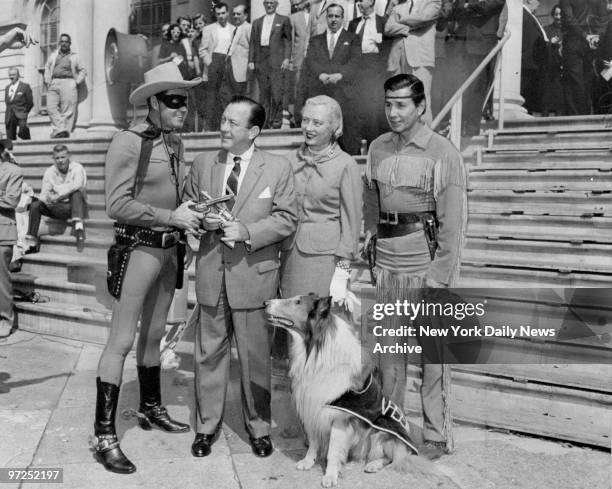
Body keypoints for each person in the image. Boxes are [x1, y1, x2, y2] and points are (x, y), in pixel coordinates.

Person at [91, 62, 203, 474]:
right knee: (120, 340)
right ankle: (104, 435)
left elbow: (179, 193)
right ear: (153, 103)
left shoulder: (175, 143)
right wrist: (168, 217)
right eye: (174, 101)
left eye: (185, 102)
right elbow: (115, 204)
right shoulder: (127, 142)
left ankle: (150, 407)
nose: (182, 109)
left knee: (155, 335)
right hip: (138, 249)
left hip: (170, 252)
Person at [184, 96, 297, 459]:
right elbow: (189, 205)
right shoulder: (204, 163)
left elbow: (286, 218)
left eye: (233, 122)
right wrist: (201, 219)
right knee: (208, 356)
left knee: (255, 358)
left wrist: (246, 230)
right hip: (211, 275)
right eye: (222, 119)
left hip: (254, 278)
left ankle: (259, 428)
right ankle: (206, 427)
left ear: (254, 131)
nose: (223, 127)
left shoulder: (277, 168)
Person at [363, 73, 467, 461]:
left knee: (433, 355)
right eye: (388, 103)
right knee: (390, 355)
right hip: (388, 264)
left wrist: (438, 277)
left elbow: (453, 225)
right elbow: (371, 198)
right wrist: (370, 235)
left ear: (421, 106)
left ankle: (437, 435)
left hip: (426, 262)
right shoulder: (377, 148)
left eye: (402, 104)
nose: (393, 112)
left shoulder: (442, 152)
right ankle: (393, 429)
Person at [280, 95, 361, 304]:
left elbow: (351, 224)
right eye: (305, 120)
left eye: (317, 123)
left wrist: (342, 273)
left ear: (335, 127)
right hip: (290, 256)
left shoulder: (346, 165)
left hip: (325, 261)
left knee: (318, 328)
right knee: (292, 327)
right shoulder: (288, 160)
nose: (309, 128)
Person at [303, 4, 361, 154]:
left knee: (347, 136)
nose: (333, 20)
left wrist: (340, 75)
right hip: (321, 92)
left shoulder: (352, 38)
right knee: (321, 135)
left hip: (344, 93)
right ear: (326, 17)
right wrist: (321, 74)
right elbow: (311, 60)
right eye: (330, 16)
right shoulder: (315, 40)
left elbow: (355, 62)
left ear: (342, 18)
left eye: (337, 16)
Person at [384, 0, 441, 124]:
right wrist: (407, 28)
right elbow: (388, 28)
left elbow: (422, 19)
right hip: (397, 59)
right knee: (398, 101)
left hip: (420, 59)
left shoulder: (433, 2)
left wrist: (400, 20)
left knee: (420, 101)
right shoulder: (399, 4)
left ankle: (423, 140)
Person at [25, 144, 88, 253]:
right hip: (59, 208)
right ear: (53, 159)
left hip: (77, 207)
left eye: (63, 157)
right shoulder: (50, 172)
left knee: (76, 193)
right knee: (36, 205)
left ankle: (79, 230)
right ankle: (32, 241)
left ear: (69, 156)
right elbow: (44, 194)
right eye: (57, 158)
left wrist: (58, 196)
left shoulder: (77, 168)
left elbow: (78, 184)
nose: (60, 161)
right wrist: (47, 201)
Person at [347, 0, 390, 146]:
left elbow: (387, 48)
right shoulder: (353, 23)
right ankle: (357, 144)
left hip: (374, 67)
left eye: (361, 0)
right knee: (356, 104)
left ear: (371, 1)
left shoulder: (382, 21)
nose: (358, 3)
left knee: (372, 105)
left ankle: (374, 143)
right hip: (355, 67)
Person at [249, 0, 292, 129]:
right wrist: (251, 60)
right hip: (261, 60)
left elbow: (288, 41)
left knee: (276, 92)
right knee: (264, 93)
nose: (269, 5)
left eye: (272, 3)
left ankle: (277, 120)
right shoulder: (257, 22)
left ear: (276, 4)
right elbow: (252, 43)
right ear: (264, 5)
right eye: (267, 3)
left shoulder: (283, 20)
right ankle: (265, 121)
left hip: (276, 60)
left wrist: (286, 58)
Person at [560, 0, 608, 115]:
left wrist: (586, 36)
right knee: (587, 80)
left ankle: (576, 117)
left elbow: (568, 19)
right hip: (592, 42)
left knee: (574, 82)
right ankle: (585, 115)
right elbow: (603, 18)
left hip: (574, 41)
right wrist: (596, 36)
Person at [200, 2, 236, 130]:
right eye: (218, 14)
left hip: (228, 63)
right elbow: (202, 50)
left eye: (223, 13)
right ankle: (209, 127)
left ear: (227, 13)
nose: (221, 16)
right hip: (214, 62)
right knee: (212, 96)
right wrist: (211, 64)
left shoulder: (234, 29)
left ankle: (227, 126)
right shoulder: (208, 29)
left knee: (227, 95)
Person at [43, 33, 87, 138]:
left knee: (68, 109)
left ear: (69, 43)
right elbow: (47, 67)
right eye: (62, 41)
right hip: (54, 82)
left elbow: (83, 70)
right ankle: (60, 130)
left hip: (68, 81)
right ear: (59, 43)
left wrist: (77, 81)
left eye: (66, 42)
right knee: (50, 107)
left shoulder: (75, 56)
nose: (64, 43)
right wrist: (47, 79)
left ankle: (64, 132)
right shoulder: (53, 55)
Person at [0, 139, 22, 337]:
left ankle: (5, 318)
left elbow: (11, 200)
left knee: (1, 279)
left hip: (2, 232)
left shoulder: (13, 171)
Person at [289, 0, 311, 125]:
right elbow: (291, 41)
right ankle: (298, 118)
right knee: (298, 90)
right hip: (299, 60)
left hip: (314, 59)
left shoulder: (318, 15)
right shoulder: (294, 18)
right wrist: (291, 60)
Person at [542, 4, 565, 116]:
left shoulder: (570, 31)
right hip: (551, 72)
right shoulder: (546, 30)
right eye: (556, 14)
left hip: (567, 71)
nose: (558, 17)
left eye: (560, 14)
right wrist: (551, 43)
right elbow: (541, 51)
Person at [226, 5, 252, 100]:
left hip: (242, 69)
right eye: (234, 14)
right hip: (231, 68)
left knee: (242, 96)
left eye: (238, 14)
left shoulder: (248, 28)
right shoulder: (234, 29)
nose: (235, 16)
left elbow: (252, 47)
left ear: (245, 15)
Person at [4, 68, 33, 140]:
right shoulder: (7, 88)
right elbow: (7, 102)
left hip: (21, 113)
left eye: (13, 75)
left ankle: (27, 146)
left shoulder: (25, 86)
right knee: (10, 139)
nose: (11, 77)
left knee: (23, 131)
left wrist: (24, 112)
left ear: (18, 75)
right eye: (10, 75)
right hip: (9, 116)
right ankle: (12, 150)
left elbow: (30, 102)